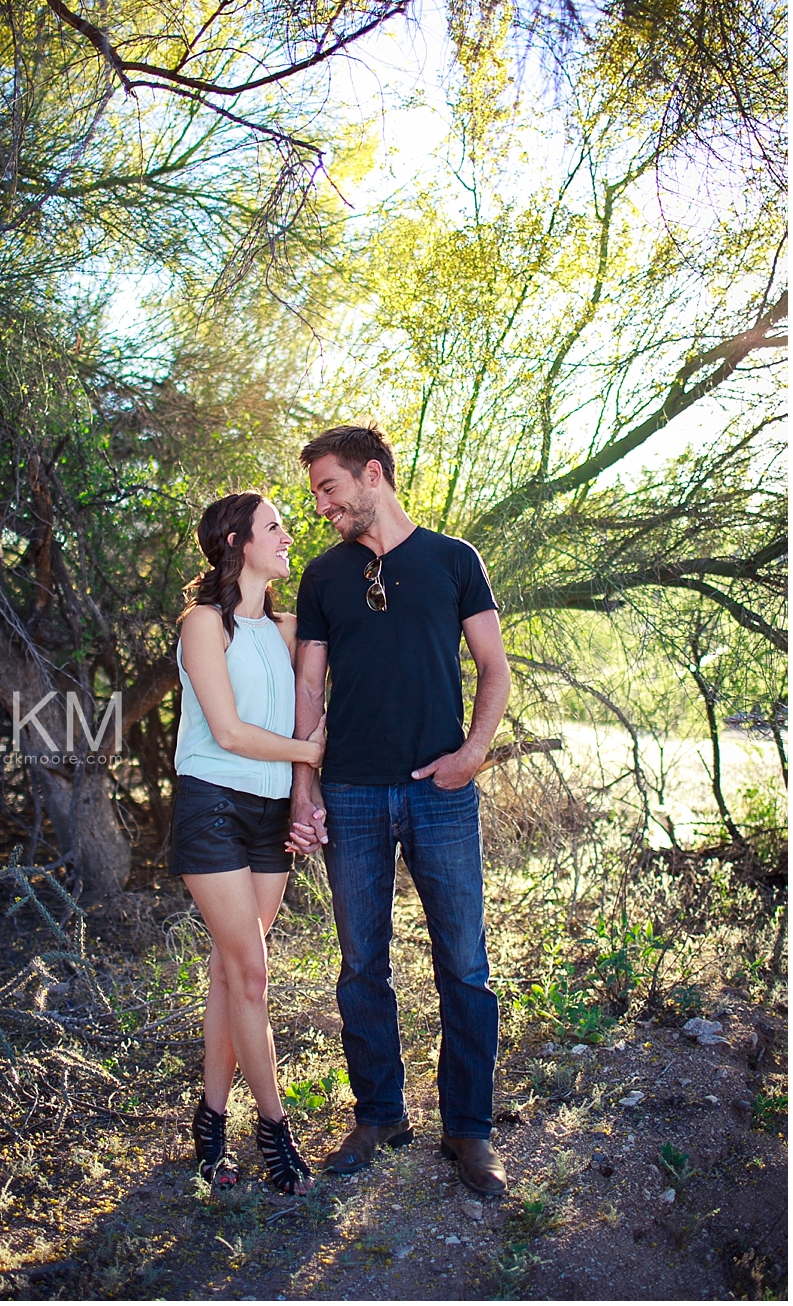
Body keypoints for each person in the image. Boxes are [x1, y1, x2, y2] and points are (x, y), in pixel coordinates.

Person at [288, 424, 512, 1196]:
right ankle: (380, 1113)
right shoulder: (322, 575)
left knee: (465, 963)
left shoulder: (454, 560)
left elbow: (492, 665)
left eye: (328, 487)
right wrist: (303, 785)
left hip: (440, 793)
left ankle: (469, 1130)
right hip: (350, 789)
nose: (320, 505)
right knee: (360, 964)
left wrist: (473, 751)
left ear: (372, 474)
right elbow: (308, 688)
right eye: (316, 492)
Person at [169, 491, 325, 1195]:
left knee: (234, 974)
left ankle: (209, 1119)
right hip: (213, 807)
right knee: (253, 975)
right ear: (237, 541)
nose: (287, 536)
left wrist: (304, 783)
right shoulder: (204, 625)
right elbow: (228, 732)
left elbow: (321, 696)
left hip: (269, 816)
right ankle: (274, 1129)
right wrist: (308, 751)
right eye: (274, 527)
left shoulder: (288, 628)